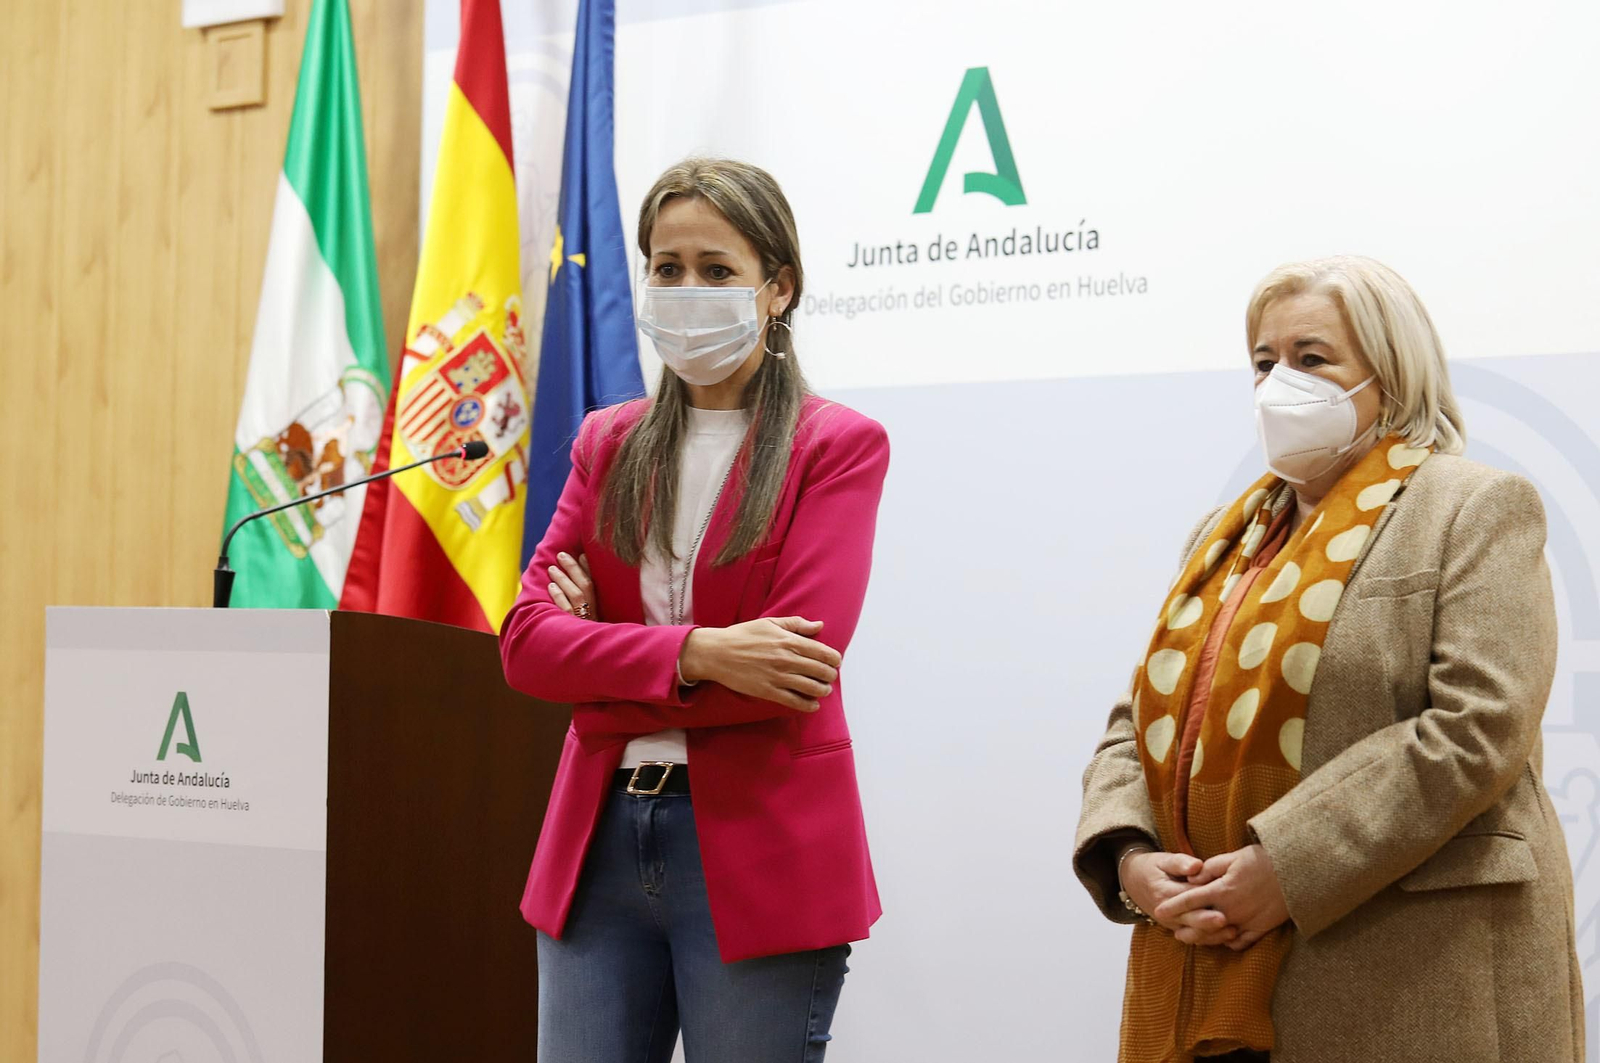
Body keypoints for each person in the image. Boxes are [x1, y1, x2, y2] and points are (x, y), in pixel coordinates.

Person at [1074, 256, 1582, 1062]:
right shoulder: (1222, 540)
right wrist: (1130, 857)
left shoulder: (1472, 506)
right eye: (1265, 363)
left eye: (1312, 359)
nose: (1281, 383)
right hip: (1209, 959)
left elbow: (1477, 727)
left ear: (1392, 374)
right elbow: (1139, 719)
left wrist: (1289, 864)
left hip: (1411, 973)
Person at [500, 157, 890, 1063]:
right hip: (594, 849)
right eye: (666, 268)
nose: (686, 290)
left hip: (759, 854)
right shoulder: (609, 440)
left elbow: (789, 674)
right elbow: (525, 647)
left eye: (717, 270)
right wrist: (703, 652)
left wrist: (606, 656)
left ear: (777, 287)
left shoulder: (836, 446)